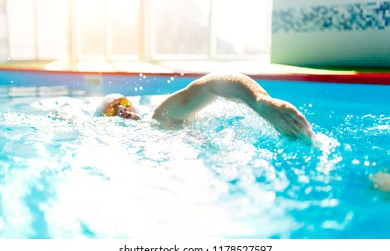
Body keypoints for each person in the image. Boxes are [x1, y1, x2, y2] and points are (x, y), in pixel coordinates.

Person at [100, 72, 314, 142]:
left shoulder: (161, 116)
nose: (123, 112)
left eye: (124, 104)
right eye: (113, 112)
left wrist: (260, 101)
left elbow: (211, 84)